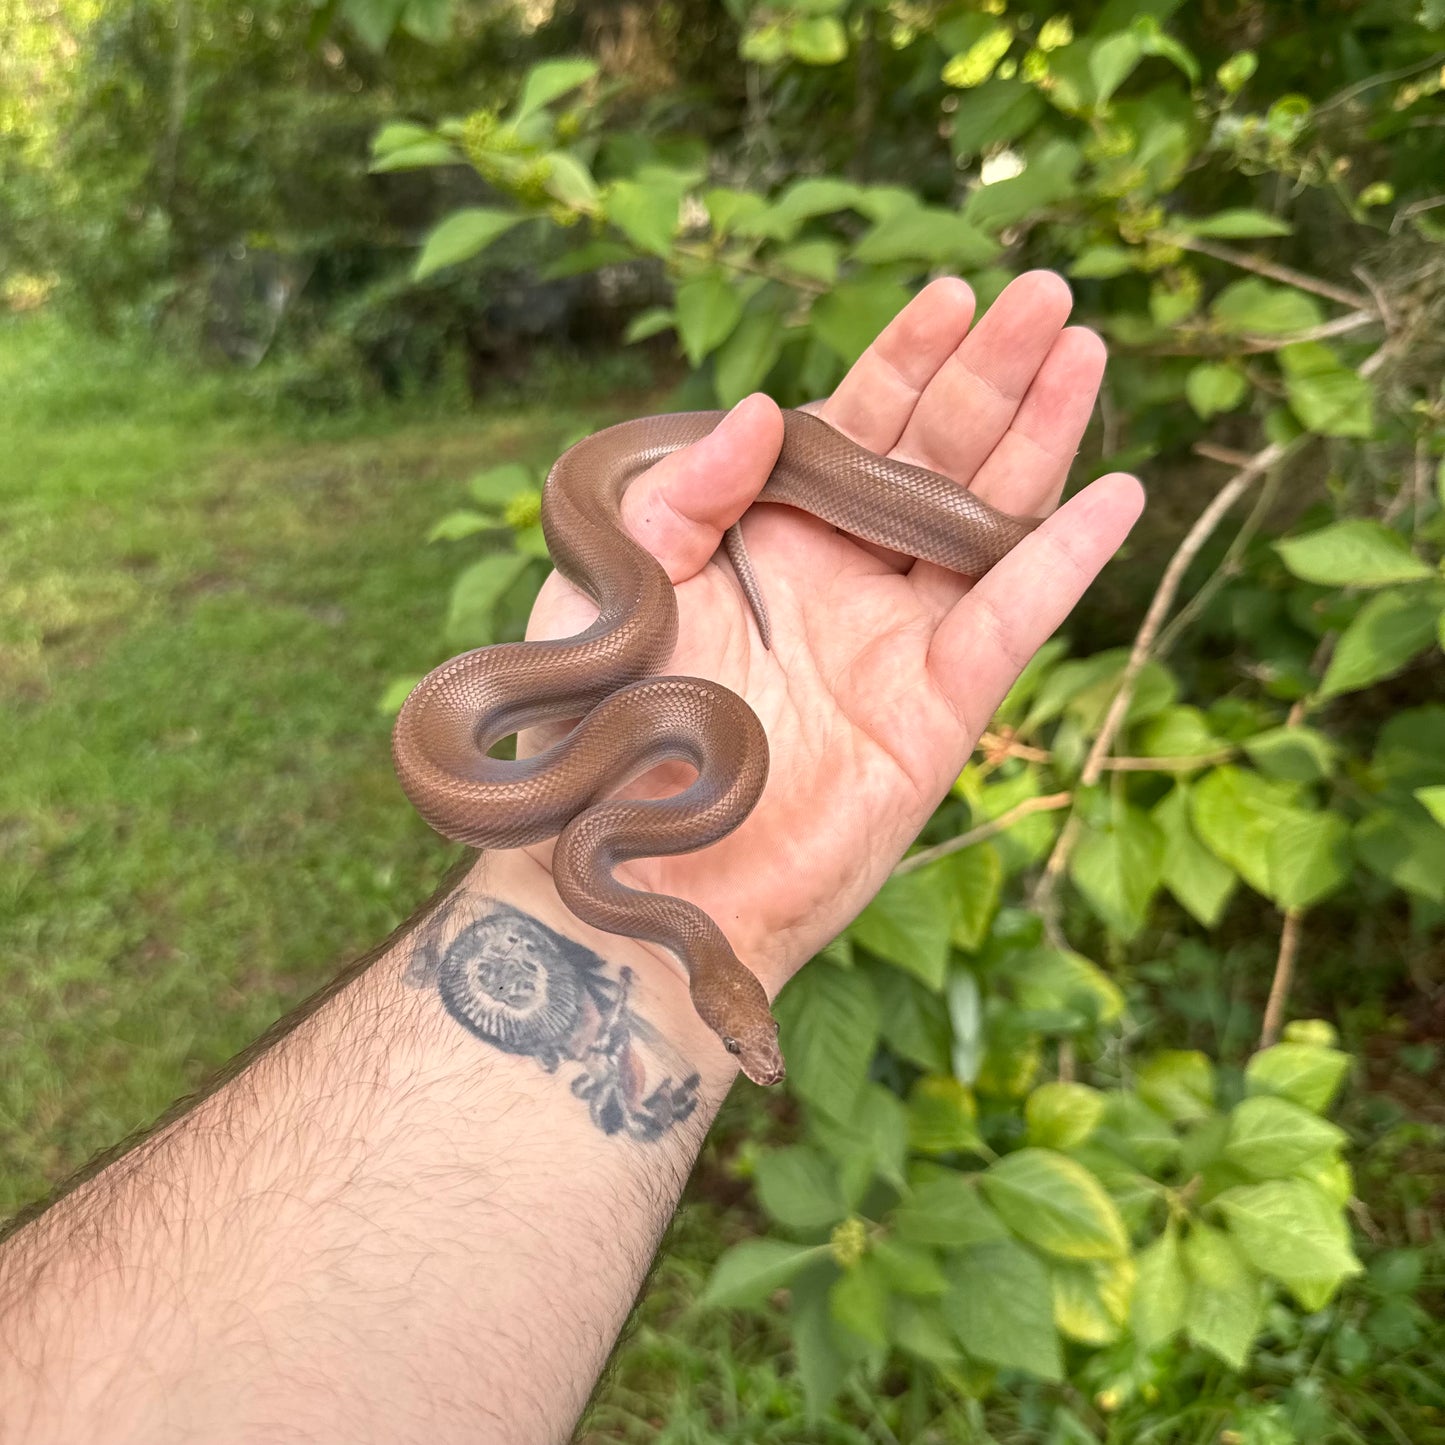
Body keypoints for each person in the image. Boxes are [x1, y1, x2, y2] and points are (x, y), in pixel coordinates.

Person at [0, 271, 1143, 1444]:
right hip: (635, 758)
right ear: (714, 991)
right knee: (697, 558)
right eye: (743, 1036)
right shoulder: (614, 811)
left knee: (913, 520)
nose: (754, 1054)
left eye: (741, 1037)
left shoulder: (622, 834)